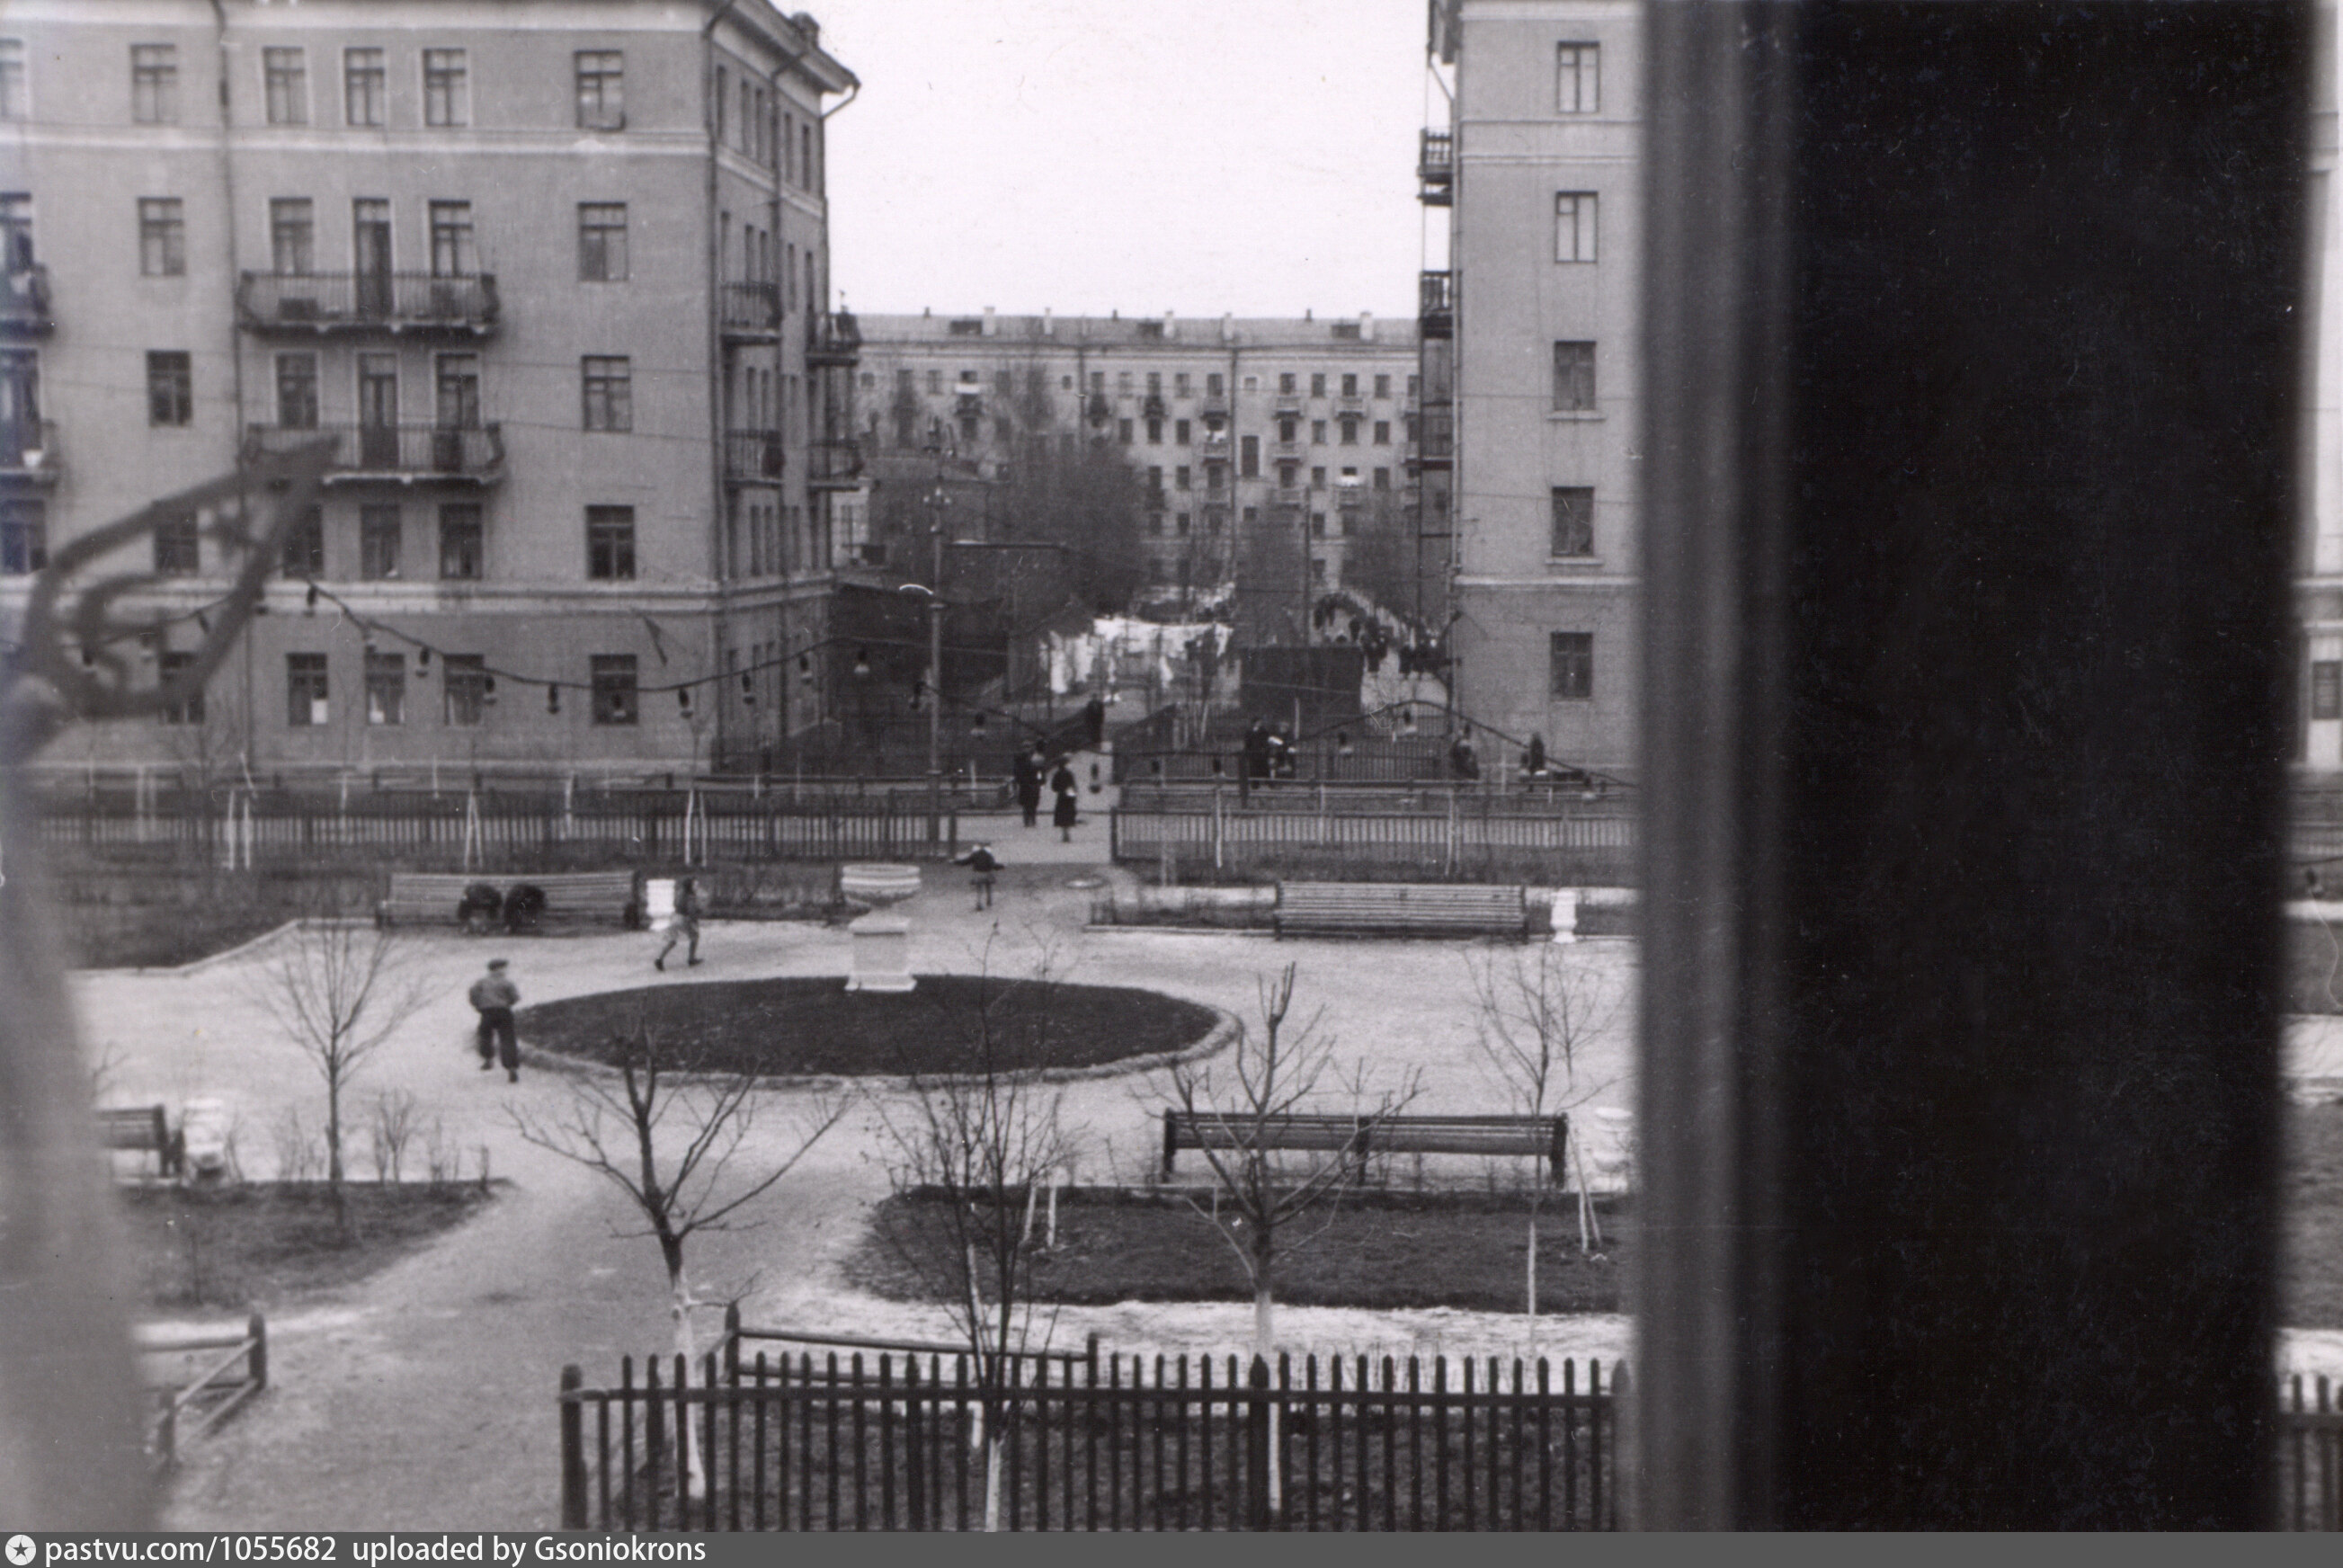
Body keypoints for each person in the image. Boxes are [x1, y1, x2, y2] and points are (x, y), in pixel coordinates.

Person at [468, 958, 521, 1082]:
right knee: (507, 1039)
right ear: (497, 969)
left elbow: (473, 994)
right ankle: (511, 1067)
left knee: (485, 1035)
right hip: (503, 1011)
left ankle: (488, 1059)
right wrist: (507, 1003)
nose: (506, 970)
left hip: (487, 1012)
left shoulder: (481, 982)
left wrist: (478, 1006)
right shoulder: (507, 982)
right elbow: (515, 997)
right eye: (504, 967)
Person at [655, 876, 702, 971]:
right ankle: (691, 959)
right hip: (684, 919)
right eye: (695, 885)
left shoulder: (680, 893)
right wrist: (695, 918)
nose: (697, 886)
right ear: (690, 886)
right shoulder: (690, 897)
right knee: (695, 936)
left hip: (675, 917)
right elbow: (691, 911)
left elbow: (675, 903)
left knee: (672, 940)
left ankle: (660, 958)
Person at [958, 842, 1001, 910]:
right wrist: (1001, 866)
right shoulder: (989, 855)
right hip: (987, 873)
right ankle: (989, 900)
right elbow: (992, 865)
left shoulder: (975, 855)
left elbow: (965, 862)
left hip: (978, 874)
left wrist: (956, 862)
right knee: (988, 886)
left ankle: (979, 903)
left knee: (979, 889)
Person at [1013, 747, 1044, 829]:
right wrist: (1039, 782)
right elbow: (1037, 774)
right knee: (1033, 804)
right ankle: (1033, 820)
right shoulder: (1032, 765)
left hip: (1024, 787)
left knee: (1026, 805)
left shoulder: (1019, 765)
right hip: (1032, 786)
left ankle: (1026, 821)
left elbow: (1018, 776)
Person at [1050, 757, 1079, 842]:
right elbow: (1073, 785)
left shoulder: (1057, 774)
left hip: (1061, 795)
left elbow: (1054, 787)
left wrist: (1059, 789)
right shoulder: (1069, 774)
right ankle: (1067, 831)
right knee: (1069, 812)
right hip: (1069, 794)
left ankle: (1064, 832)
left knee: (1062, 814)